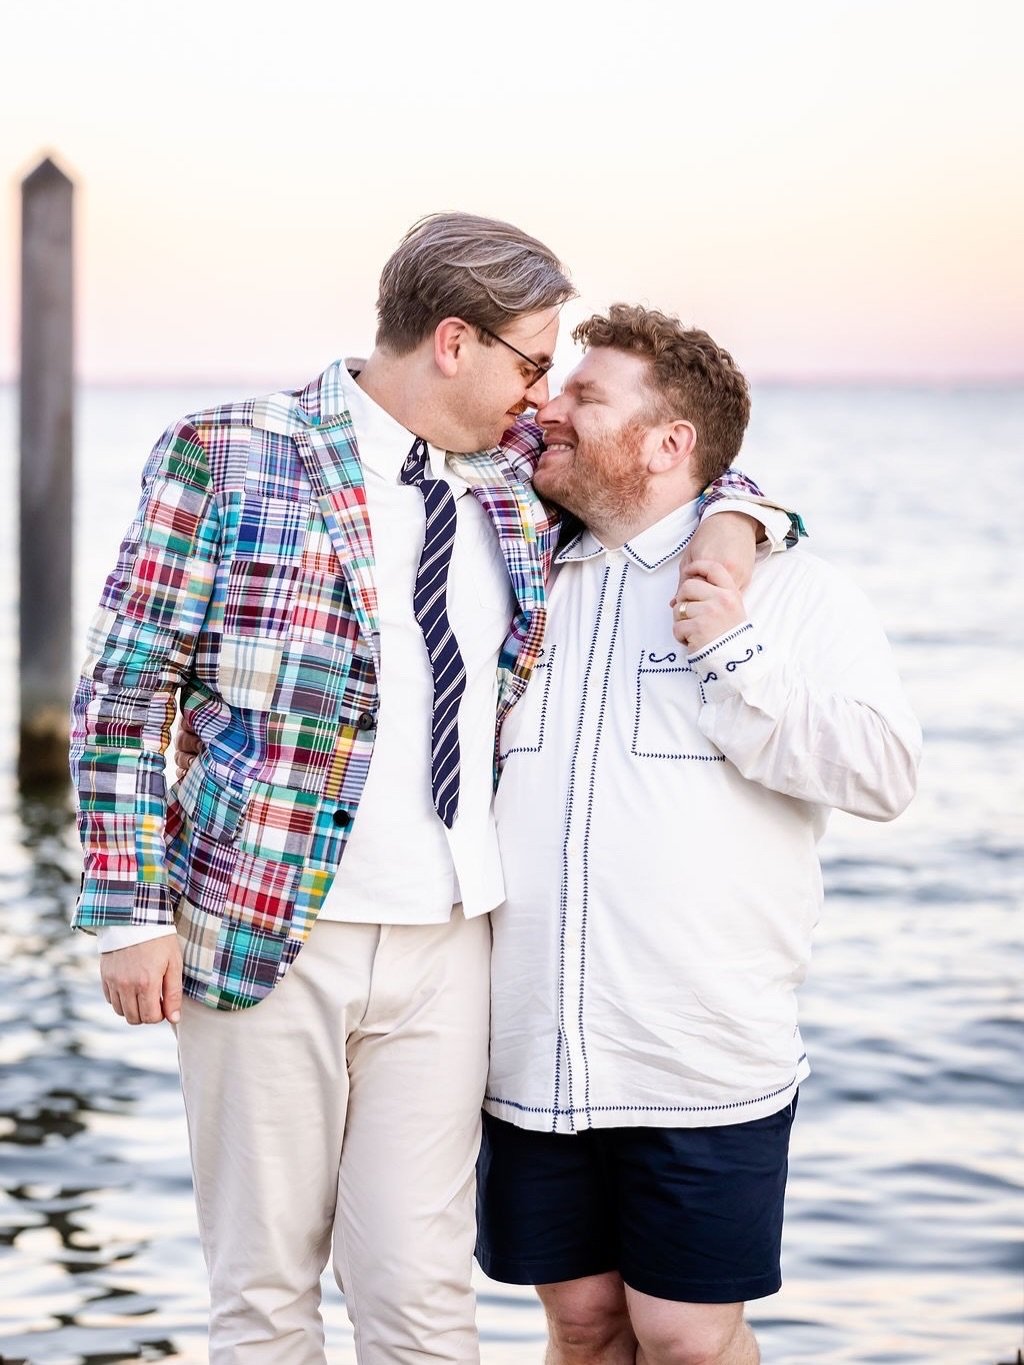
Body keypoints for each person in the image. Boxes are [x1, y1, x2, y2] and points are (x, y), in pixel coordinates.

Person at [69, 216, 793, 1365]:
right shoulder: (227, 450)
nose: (544, 395)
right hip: (265, 928)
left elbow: (688, 467)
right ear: (453, 342)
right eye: (531, 361)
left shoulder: (512, 482)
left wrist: (745, 526)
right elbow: (122, 692)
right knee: (263, 1291)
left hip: (452, 941)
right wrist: (128, 912)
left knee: (420, 1301)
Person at [476, 304, 922, 1365]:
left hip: (699, 1059)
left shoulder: (790, 593)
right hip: (531, 1055)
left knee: (686, 1340)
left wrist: (735, 652)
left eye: (586, 395)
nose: (550, 404)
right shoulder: (515, 580)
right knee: (580, 1328)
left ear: (671, 442)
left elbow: (885, 775)